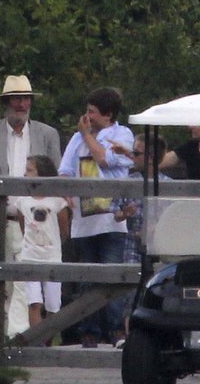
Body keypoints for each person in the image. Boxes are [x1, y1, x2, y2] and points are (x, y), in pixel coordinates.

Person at [0, 75, 62, 338]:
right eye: (16, 99)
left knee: (27, 284)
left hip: (37, 223)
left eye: (26, 98)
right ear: (6, 103)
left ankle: (18, 338)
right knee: (1, 283)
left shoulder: (47, 134)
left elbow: (57, 179)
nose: (22, 104)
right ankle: (3, 336)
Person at [58, 86, 134, 348]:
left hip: (112, 219)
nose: (87, 116)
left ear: (107, 114)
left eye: (92, 112)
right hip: (84, 219)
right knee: (87, 277)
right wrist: (66, 193)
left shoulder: (122, 135)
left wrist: (87, 136)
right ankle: (88, 331)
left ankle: (116, 331)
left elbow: (104, 160)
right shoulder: (76, 139)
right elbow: (65, 170)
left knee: (111, 277)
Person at [109, 135, 169, 347]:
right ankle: (130, 337)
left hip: (160, 247)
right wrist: (124, 214)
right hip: (132, 245)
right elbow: (115, 213)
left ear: (151, 157)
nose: (132, 157)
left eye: (136, 153)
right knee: (131, 291)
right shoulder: (130, 182)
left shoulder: (168, 185)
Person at [13, 155, 70, 328]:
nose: (25, 173)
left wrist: (54, 244)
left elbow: (63, 228)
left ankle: (48, 341)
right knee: (34, 302)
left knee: (53, 305)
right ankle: (37, 341)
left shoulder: (57, 201)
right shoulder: (23, 201)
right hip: (30, 256)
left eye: (29, 170)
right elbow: (23, 225)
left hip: (52, 256)